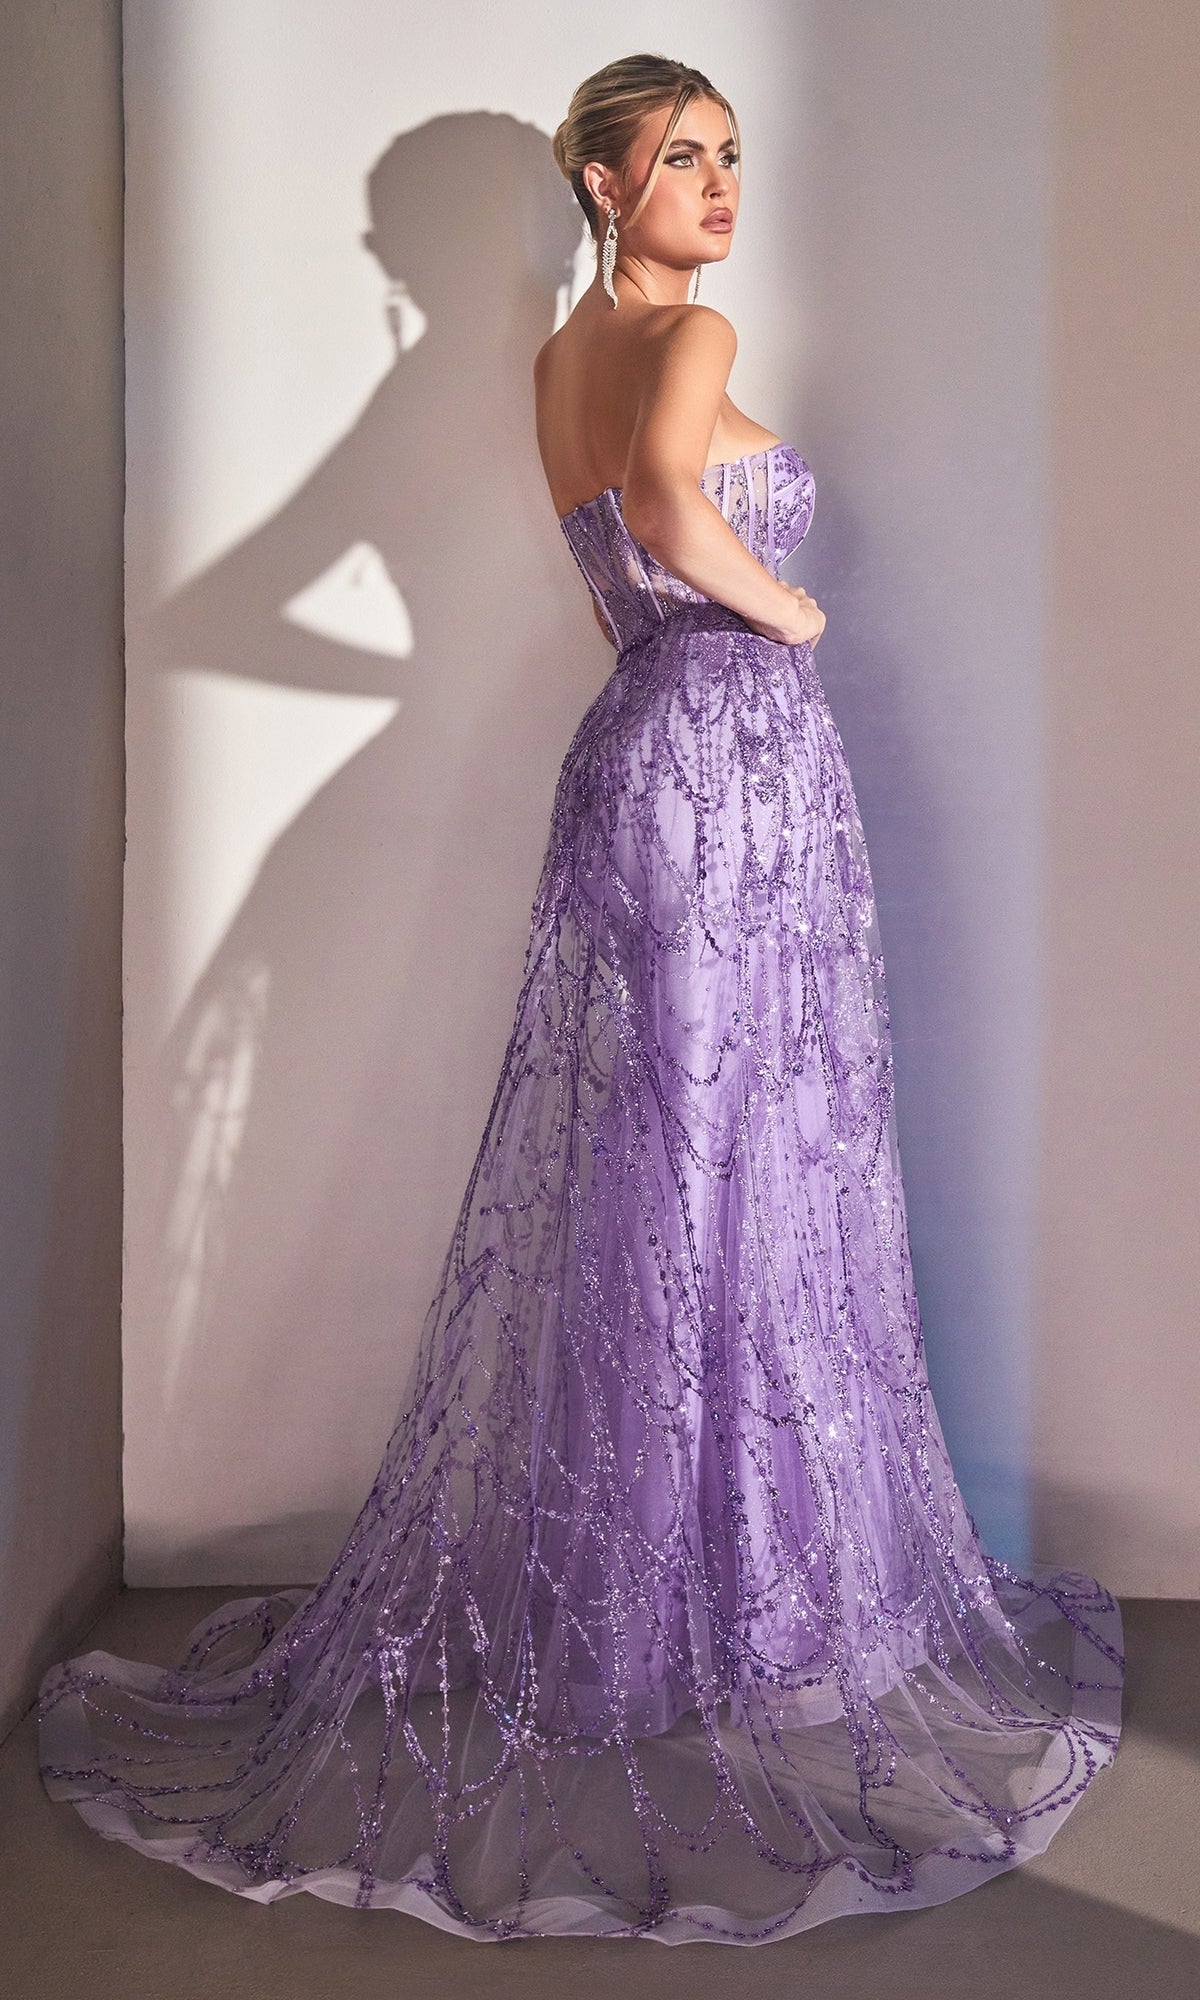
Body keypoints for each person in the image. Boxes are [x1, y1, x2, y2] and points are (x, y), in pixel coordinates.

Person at [38, 53, 1124, 1945]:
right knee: (744, 1171)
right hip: (730, 760)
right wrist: (780, 613)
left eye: (728, 154)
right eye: (681, 158)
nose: (719, 186)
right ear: (606, 190)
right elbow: (669, 508)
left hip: (633, 755)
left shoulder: (538, 367)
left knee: (658, 1181)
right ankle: (755, 1616)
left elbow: (486, 547)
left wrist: (674, 614)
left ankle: (647, 1603)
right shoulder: (682, 336)